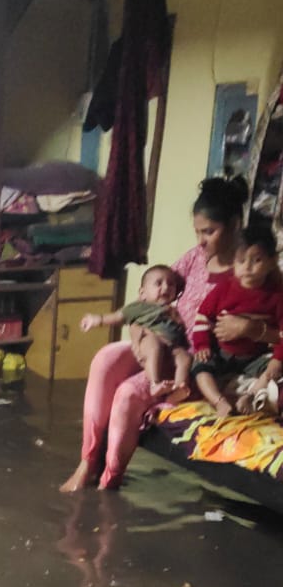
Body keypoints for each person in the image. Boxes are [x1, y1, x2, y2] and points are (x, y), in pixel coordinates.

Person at [60, 176, 281, 491]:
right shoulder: (195, 259)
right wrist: (137, 331)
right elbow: (154, 288)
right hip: (159, 340)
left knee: (127, 393)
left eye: (209, 232)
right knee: (106, 357)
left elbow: (278, 331)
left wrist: (252, 329)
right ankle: (87, 463)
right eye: (198, 232)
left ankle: (109, 481)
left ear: (234, 224)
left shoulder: (255, 270)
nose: (201, 241)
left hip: (192, 360)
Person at [191, 223, 283, 415]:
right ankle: (219, 401)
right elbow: (203, 317)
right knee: (200, 367)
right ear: (233, 262)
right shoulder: (224, 289)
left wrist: (277, 359)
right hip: (222, 353)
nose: (247, 267)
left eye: (256, 260)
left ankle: (253, 396)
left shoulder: (276, 295)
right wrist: (202, 345)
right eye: (241, 261)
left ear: (272, 261)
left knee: (277, 371)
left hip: (256, 358)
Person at [80, 263, 190, 402]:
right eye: (158, 283)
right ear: (143, 293)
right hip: (150, 338)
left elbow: (181, 329)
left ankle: (179, 389)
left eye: (171, 284)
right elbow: (118, 317)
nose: (166, 287)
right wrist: (97, 320)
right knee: (154, 347)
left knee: (185, 358)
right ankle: (154, 384)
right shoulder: (139, 307)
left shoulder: (173, 310)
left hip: (172, 346)